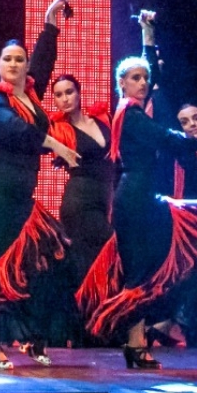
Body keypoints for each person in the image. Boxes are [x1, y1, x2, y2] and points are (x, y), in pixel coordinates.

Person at [0, 0, 80, 369]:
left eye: (20, 60)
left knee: (42, 264)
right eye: (7, 60)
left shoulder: (31, 93)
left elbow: (44, 60)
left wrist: (50, 22)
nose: (14, 64)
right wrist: (55, 144)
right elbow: (14, 130)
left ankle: (29, 337)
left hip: (20, 195)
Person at [83, 12, 197, 368]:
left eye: (144, 77)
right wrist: (192, 138)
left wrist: (147, 34)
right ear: (122, 84)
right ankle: (134, 342)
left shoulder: (133, 109)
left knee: (143, 271)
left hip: (142, 197)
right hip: (135, 199)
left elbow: (155, 74)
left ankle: (137, 344)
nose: (144, 82)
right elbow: (166, 139)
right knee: (139, 272)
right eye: (136, 78)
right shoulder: (130, 116)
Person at [49, 73, 114, 290]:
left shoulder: (102, 119)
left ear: (79, 93)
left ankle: (97, 319)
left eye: (69, 92)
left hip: (103, 199)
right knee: (101, 256)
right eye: (59, 95)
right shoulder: (58, 130)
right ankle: (89, 318)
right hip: (79, 203)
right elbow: (29, 135)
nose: (65, 98)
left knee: (96, 265)